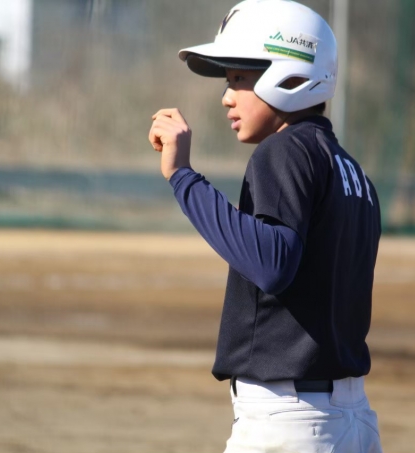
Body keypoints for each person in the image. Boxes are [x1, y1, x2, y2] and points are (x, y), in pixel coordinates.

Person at [148, 1, 382, 452]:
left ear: (288, 75)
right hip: (352, 421)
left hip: (291, 423)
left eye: (239, 78)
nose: (227, 96)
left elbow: (273, 263)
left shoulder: (284, 150)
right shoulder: (351, 171)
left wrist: (182, 177)